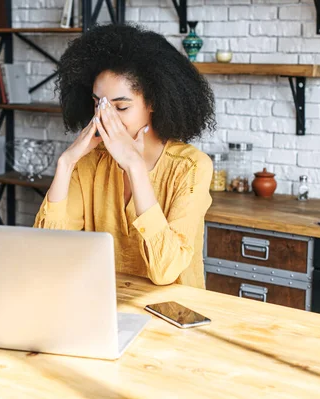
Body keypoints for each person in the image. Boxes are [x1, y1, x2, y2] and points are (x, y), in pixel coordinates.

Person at [34, 23, 216, 289]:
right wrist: (66, 163)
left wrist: (134, 167)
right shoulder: (90, 160)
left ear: (153, 102)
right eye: (99, 104)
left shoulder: (191, 167)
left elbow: (165, 271)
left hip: (174, 315)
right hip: (105, 307)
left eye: (120, 107)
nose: (104, 118)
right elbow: (47, 254)